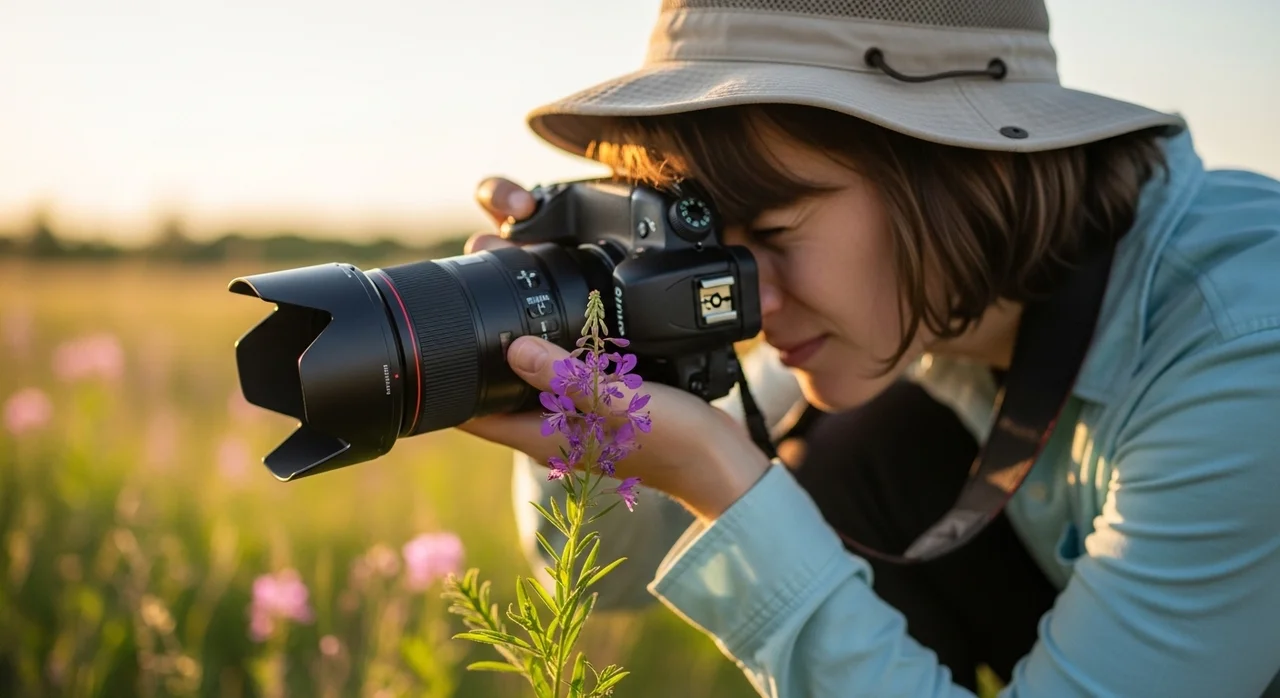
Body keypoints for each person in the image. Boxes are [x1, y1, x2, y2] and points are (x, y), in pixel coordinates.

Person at [458, 1, 1280, 695]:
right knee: (858, 455)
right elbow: (615, 579)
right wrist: (579, 346)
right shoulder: (903, 291)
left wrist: (725, 485)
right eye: (711, 248)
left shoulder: (1245, 353)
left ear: (962, 165)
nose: (747, 299)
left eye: (773, 232)